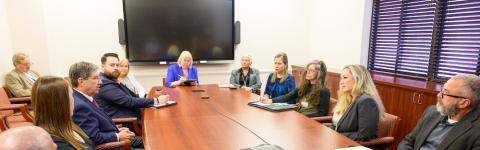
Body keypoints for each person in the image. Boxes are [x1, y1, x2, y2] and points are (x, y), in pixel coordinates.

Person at [398, 74, 480, 150]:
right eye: (442, 90)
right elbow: (408, 141)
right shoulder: (432, 111)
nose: (438, 95)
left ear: (463, 103)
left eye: (445, 93)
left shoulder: (476, 130)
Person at [69, 61, 135, 146]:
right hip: (115, 145)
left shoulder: (85, 98)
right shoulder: (79, 105)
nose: (100, 82)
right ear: (81, 81)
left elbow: (100, 126)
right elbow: (93, 138)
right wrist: (117, 136)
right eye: (95, 78)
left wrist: (118, 130)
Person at [95, 53, 168, 126]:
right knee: (163, 122)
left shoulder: (111, 80)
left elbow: (132, 95)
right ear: (103, 66)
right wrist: (156, 100)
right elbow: (128, 101)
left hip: (135, 114)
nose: (116, 68)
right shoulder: (104, 83)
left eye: (117, 65)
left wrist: (150, 101)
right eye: (112, 65)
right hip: (127, 122)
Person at [32, 75, 95, 149]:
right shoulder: (57, 143)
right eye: (71, 95)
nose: (74, 99)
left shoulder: (67, 124)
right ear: (60, 102)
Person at [331, 64, 385, 141]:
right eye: (341, 78)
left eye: (345, 78)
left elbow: (365, 135)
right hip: (340, 141)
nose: (341, 82)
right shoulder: (346, 97)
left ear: (358, 79)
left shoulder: (366, 101)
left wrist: (337, 135)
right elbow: (335, 125)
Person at [259, 60, 330, 117]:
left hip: (311, 122)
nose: (307, 72)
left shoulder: (324, 91)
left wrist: (301, 117)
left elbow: (322, 114)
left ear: (319, 74)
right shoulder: (305, 86)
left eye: (311, 71)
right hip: (300, 117)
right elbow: (288, 96)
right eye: (307, 70)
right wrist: (270, 100)